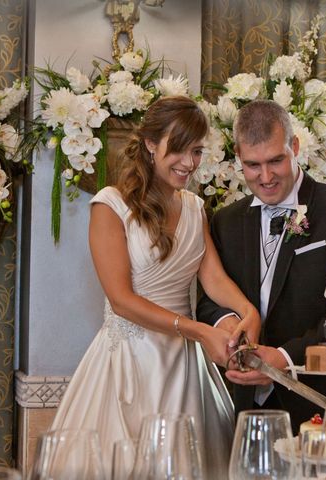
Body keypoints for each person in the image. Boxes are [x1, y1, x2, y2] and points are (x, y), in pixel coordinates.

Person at [50, 96, 260, 478]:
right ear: (150, 144)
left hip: (186, 368)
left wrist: (249, 312)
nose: (189, 163)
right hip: (128, 363)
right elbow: (122, 300)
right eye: (178, 149)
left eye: (196, 151)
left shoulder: (195, 208)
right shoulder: (109, 206)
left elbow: (212, 278)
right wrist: (199, 330)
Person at [196, 100, 326, 431]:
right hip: (248, 410)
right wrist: (227, 324)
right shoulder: (225, 221)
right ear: (238, 156)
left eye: (276, 160)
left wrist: (283, 356)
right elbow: (209, 298)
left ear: (294, 147)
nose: (265, 177)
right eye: (252, 165)